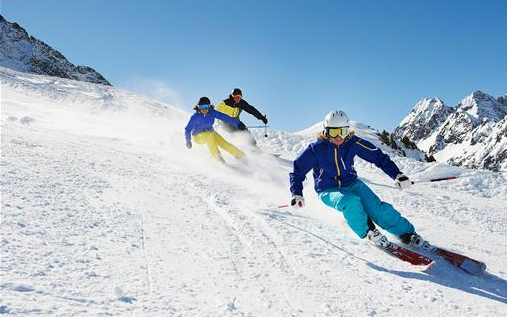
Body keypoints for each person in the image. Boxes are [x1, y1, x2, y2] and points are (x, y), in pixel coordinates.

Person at [289, 110, 430, 249]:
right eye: (334, 132)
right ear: (326, 132)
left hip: (352, 183)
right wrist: (297, 193)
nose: (339, 137)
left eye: (342, 132)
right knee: (350, 202)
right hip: (328, 189)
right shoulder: (316, 149)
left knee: (378, 209)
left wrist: (398, 175)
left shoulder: (353, 143)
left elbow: (378, 157)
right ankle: (368, 231)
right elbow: (297, 171)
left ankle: (407, 233)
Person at [185, 97, 246, 162]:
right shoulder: (195, 117)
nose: (203, 109)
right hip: (198, 137)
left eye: (205, 106)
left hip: (210, 132)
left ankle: (241, 155)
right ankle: (217, 157)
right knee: (209, 136)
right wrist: (188, 140)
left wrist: (237, 124)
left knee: (223, 143)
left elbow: (224, 117)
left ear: (209, 106)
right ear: (198, 107)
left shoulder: (212, 112)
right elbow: (188, 129)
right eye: (201, 107)